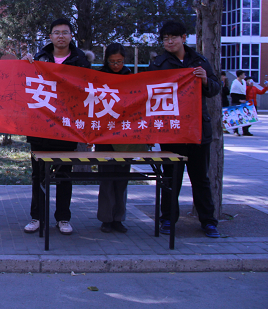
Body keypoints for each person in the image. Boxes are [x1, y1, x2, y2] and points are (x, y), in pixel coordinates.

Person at [148, 20, 221, 238]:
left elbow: (215, 88)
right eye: (165, 39)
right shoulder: (158, 64)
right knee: (171, 178)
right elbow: (148, 94)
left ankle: (208, 221)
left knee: (200, 179)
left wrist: (205, 80)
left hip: (198, 130)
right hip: (172, 131)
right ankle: (168, 219)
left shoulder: (199, 61)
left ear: (184, 38)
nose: (169, 42)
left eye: (173, 37)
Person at [23, 18, 91, 235]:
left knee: (63, 175)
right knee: (38, 176)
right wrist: (23, 65)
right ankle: (37, 217)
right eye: (57, 32)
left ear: (71, 36)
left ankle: (63, 218)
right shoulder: (39, 58)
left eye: (65, 32)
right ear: (50, 36)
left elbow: (88, 92)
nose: (61, 36)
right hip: (40, 128)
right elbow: (24, 86)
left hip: (66, 128)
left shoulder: (81, 61)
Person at [95, 43, 131, 234]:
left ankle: (119, 218)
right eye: (112, 62)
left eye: (119, 61)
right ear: (106, 61)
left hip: (125, 135)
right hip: (104, 135)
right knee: (107, 179)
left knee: (122, 179)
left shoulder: (131, 77)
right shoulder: (100, 77)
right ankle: (106, 219)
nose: (116, 65)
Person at [230, 70, 249, 136]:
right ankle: (235, 131)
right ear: (240, 75)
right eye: (243, 74)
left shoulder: (243, 82)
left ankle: (245, 131)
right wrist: (239, 100)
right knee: (236, 116)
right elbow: (232, 94)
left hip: (243, 100)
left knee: (244, 116)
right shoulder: (235, 83)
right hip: (237, 101)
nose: (244, 75)